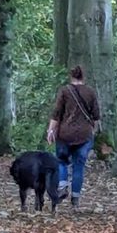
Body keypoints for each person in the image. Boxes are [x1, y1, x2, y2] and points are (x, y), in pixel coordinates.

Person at [46, 65, 100, 208]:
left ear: (71, 76)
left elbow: (56, 113)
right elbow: (96, 116)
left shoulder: (64, 91)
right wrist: (92, 131)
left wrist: (50, 131)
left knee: (62, 161)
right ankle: (75, 198)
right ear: (83, 76)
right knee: (79, 166)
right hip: (84, 134)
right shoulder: (91, 92)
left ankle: (63, 184)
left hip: (65, 133)